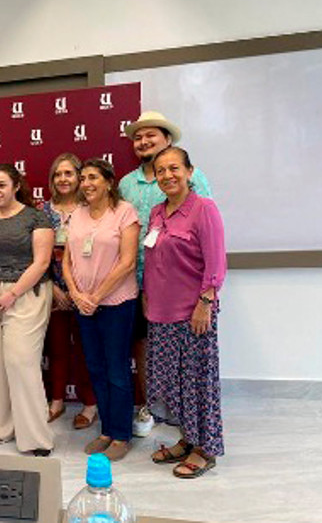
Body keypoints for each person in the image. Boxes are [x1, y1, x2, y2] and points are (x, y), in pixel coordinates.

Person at [119, 111, 212, 438]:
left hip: (184, 285)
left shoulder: (194, 179)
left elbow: (208, 236)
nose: (143, 141)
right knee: (147, 347)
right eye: (138, 137)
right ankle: (152, 403)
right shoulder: (126, 183)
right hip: (140, 281)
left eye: (151, 136)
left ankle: (188, 420)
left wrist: (207, 294)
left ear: (168, 139)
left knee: (190, 358)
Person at [143, 147, 226, 478]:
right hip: (160, 312)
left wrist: (205, 302)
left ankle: (205, 449)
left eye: (174, 168)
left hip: (194, 313)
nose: (167, 175)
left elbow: (216, 262)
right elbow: (152, 259)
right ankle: (188, 438)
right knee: (172, 383)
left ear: (190, 171)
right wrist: (147, 296)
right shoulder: (156, 213)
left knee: (197, 383)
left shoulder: (203, 209)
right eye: (161, 171)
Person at [0, 163, 54, 457]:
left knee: (21, 361)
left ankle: (35, 438)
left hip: (26, 294)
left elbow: (42, 262)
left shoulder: (36, 218)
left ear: (16, 186)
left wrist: (12, 293)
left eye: (1, 185)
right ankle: (0, 427)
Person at [63, 159, 140, 461]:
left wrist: (96, 296)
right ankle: (106, 430)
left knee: (117, 370)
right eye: (83, 178)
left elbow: (128, 262)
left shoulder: (125, 212)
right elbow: (67, 259)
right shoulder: (77, 214)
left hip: (116, 304)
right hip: (84, 305)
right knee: (94, 367)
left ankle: (121, 434)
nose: (86, 183)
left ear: (109, 181)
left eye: (93, 177)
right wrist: (74, 292)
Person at [39, 154, 98, 429]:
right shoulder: (43, 211)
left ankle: (90, 404)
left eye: (69, 174)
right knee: (57, 350)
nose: (63, 179)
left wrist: (75, 292)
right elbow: (35, 255)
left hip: (85, 292)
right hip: (54, 293)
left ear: (79, 177)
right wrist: (53, 288)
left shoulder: (92, 210)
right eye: (58, 174)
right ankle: (57, 401)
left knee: (88, 351)